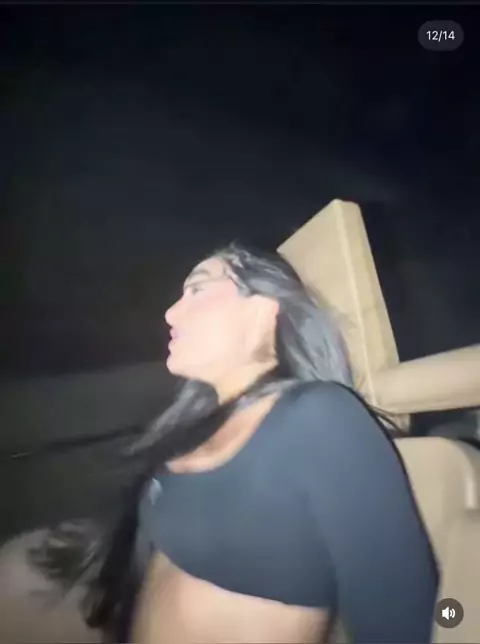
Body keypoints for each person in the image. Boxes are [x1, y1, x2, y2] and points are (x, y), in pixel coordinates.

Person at [38, 243, 438, 643]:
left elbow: (401, 619)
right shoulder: (192, 429)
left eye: (197, 289)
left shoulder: (320, 415)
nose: (170, 313)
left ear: (261, 310)